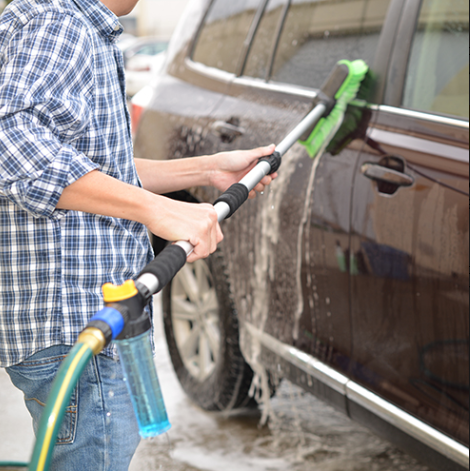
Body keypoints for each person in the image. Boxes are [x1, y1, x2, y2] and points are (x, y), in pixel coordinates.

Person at [0, 0, 276, 469]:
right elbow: (15, 148)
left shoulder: (58, 20)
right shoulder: (60, 23)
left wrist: (207, 168)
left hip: (82, 328)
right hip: (81, 330)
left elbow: (99, 170)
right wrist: (158, 212)